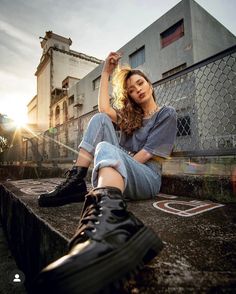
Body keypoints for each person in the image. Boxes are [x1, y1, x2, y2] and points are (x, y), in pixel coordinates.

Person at [34, 52, 177, 293]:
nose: (137, 90)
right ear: (129, 95)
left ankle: (110, 225)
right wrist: (106, 72)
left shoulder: (167, 114)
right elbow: (103, 108)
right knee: (100, 119)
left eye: (140, 83)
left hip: (147, 178)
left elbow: (143, 157)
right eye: (131, 89)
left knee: (106, 148)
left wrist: (117, 156)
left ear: (150, 84)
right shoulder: (132, 117)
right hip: (122, 168)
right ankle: (77, 180)